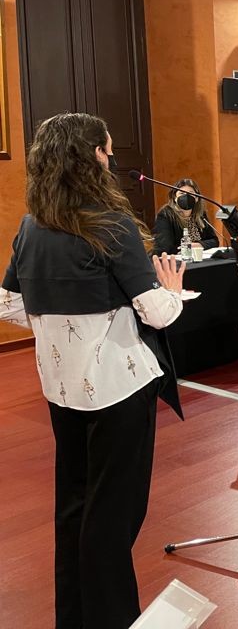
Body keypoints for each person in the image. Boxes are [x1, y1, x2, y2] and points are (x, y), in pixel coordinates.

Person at [0, 112, 186, 629]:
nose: (111, 160)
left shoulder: (31, 227)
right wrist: (172, 290)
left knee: (74, 507)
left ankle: (75, 618)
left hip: (62, 391)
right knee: (113, 517)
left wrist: (59, 320)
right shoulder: (112, 225)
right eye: (107, 150)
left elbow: (8, 305)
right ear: (90, 159)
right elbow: (157, 314)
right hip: (118, 390)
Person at [152, 178, 219, 255]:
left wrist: (197, 245)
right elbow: (164, 247)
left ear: (197, 198)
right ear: (174, 197)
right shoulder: (166, 214)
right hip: (177, 259)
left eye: (191, 193)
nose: (186, 196)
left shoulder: (200, 214)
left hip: (200, 257)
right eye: (182, 193)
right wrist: (187, 248)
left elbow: (214, 241)